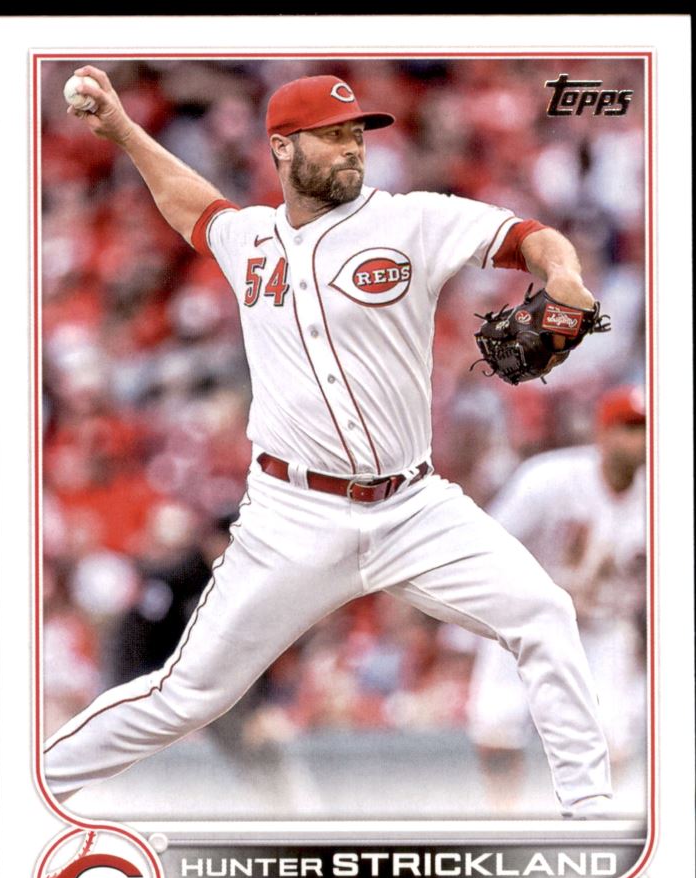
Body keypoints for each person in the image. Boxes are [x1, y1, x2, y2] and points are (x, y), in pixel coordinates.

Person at [43, 66, 613, 818]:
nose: (352, 148)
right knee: (187, 696)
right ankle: (32, 788)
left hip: (413, 508)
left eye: (357, 135)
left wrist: (563, 273)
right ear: (283, 148)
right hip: (293, 515)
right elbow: (193, 208)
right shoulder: (250, 238)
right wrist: (121, 130)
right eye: (332, 136)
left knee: (543, 612)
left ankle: (590, 817)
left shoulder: (412, 219)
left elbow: (527, 238)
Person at [468, 385, 647, 811]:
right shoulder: (549, 478)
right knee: (496, 731)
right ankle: (503, 822)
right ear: (603, 433)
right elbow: (489, 539)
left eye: (645, 429)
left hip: (602, 630)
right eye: (629, 428)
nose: (640, 440)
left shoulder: (665, 494)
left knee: (611, 742)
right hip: (530, 618)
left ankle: (591, 829)